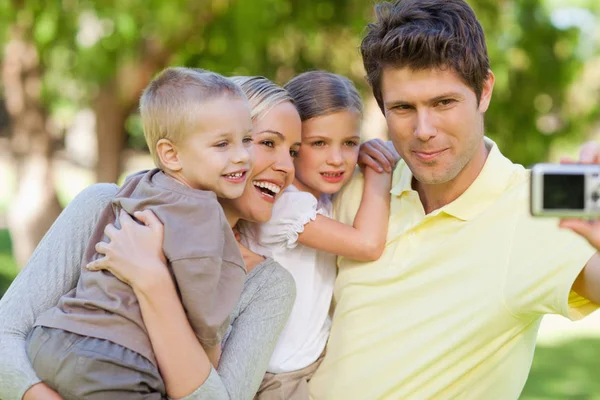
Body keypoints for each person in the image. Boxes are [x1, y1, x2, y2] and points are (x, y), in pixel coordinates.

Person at [307, 1, 600, 399]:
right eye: (403, 108)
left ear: (484, 92)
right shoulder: (357, 185)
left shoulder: (531, 211)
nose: (423, 130)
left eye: (443, 103)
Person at [0, 76, 302, 400]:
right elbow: (6, 334)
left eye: (294, 152)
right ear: (178, 149)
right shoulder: (108, 207)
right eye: (267, 143)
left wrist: (154, 282)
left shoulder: (269, 286)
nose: (286, 166)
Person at [244, 70, 394, 400]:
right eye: (319, 144)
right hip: (277, 378)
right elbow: (367, 244)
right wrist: (379, 175)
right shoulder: (282, 206)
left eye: (350, 143)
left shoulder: (319, 196)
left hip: (311, 365)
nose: (337, 159)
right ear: (293, 145)